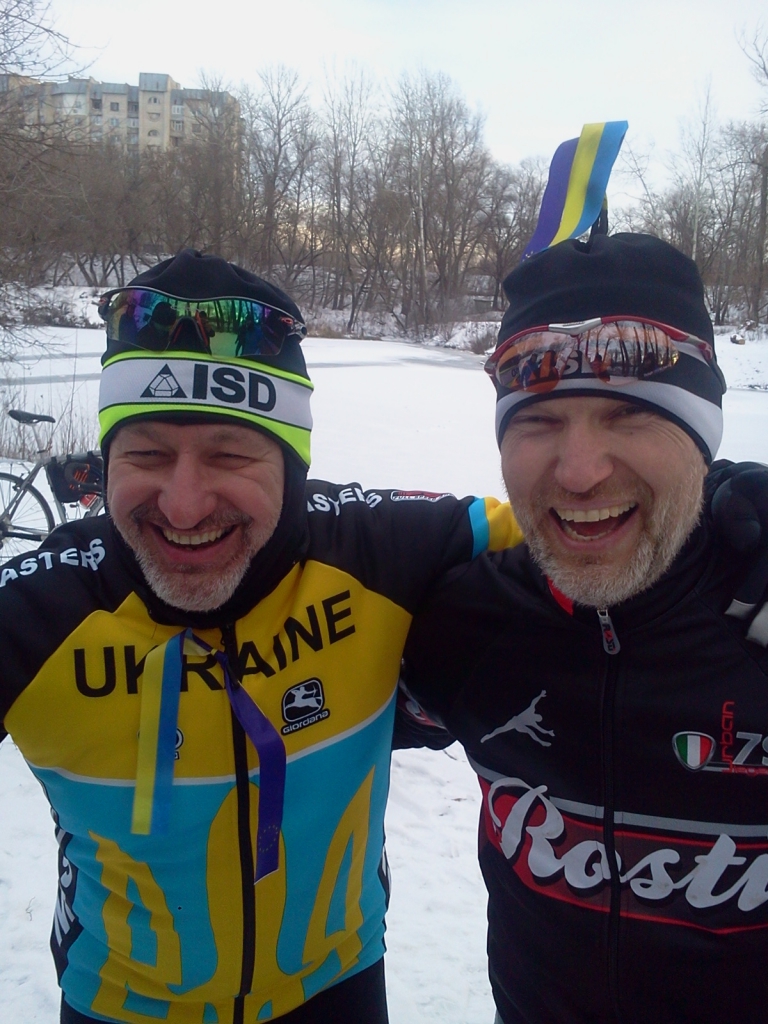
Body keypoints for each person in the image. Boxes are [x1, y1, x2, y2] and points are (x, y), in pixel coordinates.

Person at [0, 248, 522, 1024]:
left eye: (229, 454)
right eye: (145, 454)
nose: (183, 505)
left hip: (338, 987)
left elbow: (573, 530)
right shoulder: (41, 610)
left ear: (291, 465)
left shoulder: (373, 550)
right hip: (119, 1004)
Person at [402, 233, 768, 1024]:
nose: (578, 471)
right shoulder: (464, 621)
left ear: (702, 436)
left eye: (629, 414)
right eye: (538, 422)